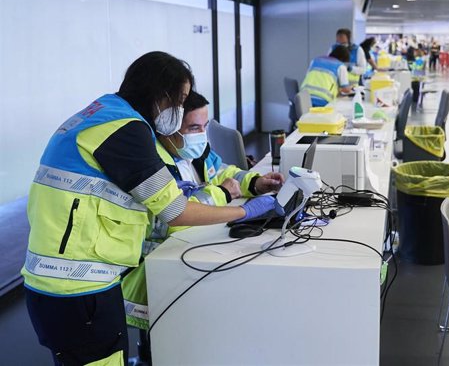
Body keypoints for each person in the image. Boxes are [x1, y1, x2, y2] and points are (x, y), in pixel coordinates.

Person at [22, 52, 279, 365]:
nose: (180, 109)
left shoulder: (104, 113)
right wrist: (246, 212)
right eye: (180, 100)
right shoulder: (124, 130)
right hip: (79, 286)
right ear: (160, 93)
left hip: (60, 282)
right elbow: (176, 211)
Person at [122, 90, 283, 357]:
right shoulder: (152, 163)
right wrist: (223, 194)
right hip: (154, 271)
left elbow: (223, 172)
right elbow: (176, 217)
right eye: (193, 127)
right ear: (169, 128)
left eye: (205, 127)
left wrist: (254, 182)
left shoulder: (195, 151)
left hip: (190, 253)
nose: (201, 135)